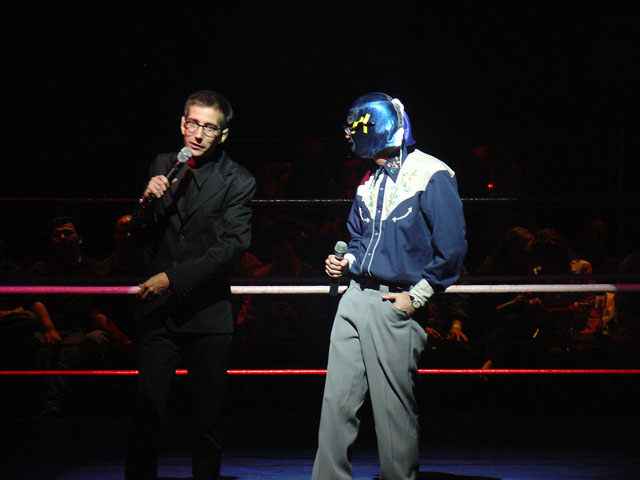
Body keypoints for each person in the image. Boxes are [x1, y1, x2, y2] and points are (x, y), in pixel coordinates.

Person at [312, 93, 467, 480]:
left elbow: (452, 249)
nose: (348, 135)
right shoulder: (367, 179)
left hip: (393, 302)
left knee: (393, 410)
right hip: (355, 297)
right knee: (336, 404)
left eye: (355, 127)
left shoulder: (432, 174)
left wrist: (416, 298)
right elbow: (359, 238)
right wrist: (345, 262)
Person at [125, 90, 255, 480]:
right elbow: (137, 237)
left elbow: (231, 248)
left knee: (206, 419)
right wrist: (145, 203)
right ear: (182, 124)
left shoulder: (239, 179)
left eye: (209, 127)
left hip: (207, 313)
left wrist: (172, 278)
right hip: (159, 314)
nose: (198, 134)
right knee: (147, 414)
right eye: (193, 124)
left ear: (223, 134)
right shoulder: (163, 165)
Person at [28, 217, 131, 418]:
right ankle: (43, 404)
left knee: (72, 349)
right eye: (57, 235)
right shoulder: (42, 269)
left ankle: (56, 404)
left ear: (80, 238)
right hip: (49, 326)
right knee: (40, 350)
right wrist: (49, 328)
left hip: (78, 328)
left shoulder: (96, 269)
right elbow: (35, 300)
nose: (63, 237)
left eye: (68, 233)